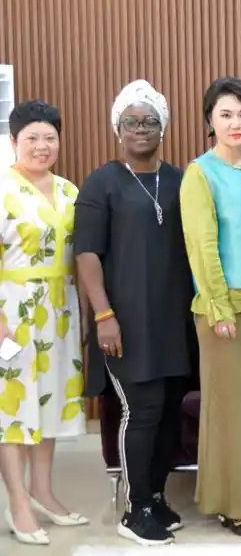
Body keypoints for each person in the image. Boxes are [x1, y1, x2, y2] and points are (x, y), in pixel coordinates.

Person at [75, 80, 195, 546]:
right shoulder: (101, 182)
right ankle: (133, 507)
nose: (140, 129)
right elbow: (86, 256)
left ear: (162, 128)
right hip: (123, 323)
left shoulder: (181, 180)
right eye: (131, 121)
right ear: (116, 127)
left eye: (150, 121)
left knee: (168, 411)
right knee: (140, 411)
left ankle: (157, 497)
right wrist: (104, 316)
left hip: (173, 320)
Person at [179, 77, 241, 538]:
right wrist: (218, 307)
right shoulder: (200, 172)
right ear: (209, 121)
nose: (236, 123)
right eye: (225, 114)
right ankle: (234, 504)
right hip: (225, 309)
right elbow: (202, 246)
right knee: (232, 408)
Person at [0, 100, 88, 546]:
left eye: (49, 137)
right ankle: (17, 502)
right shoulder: (1, 187)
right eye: (31, 138)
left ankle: (42, 489)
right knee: (13, 409)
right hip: (11, 314)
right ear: (14, 141)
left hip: (60, 312)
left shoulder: (71, 191)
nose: (42, 146)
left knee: (49, 404)